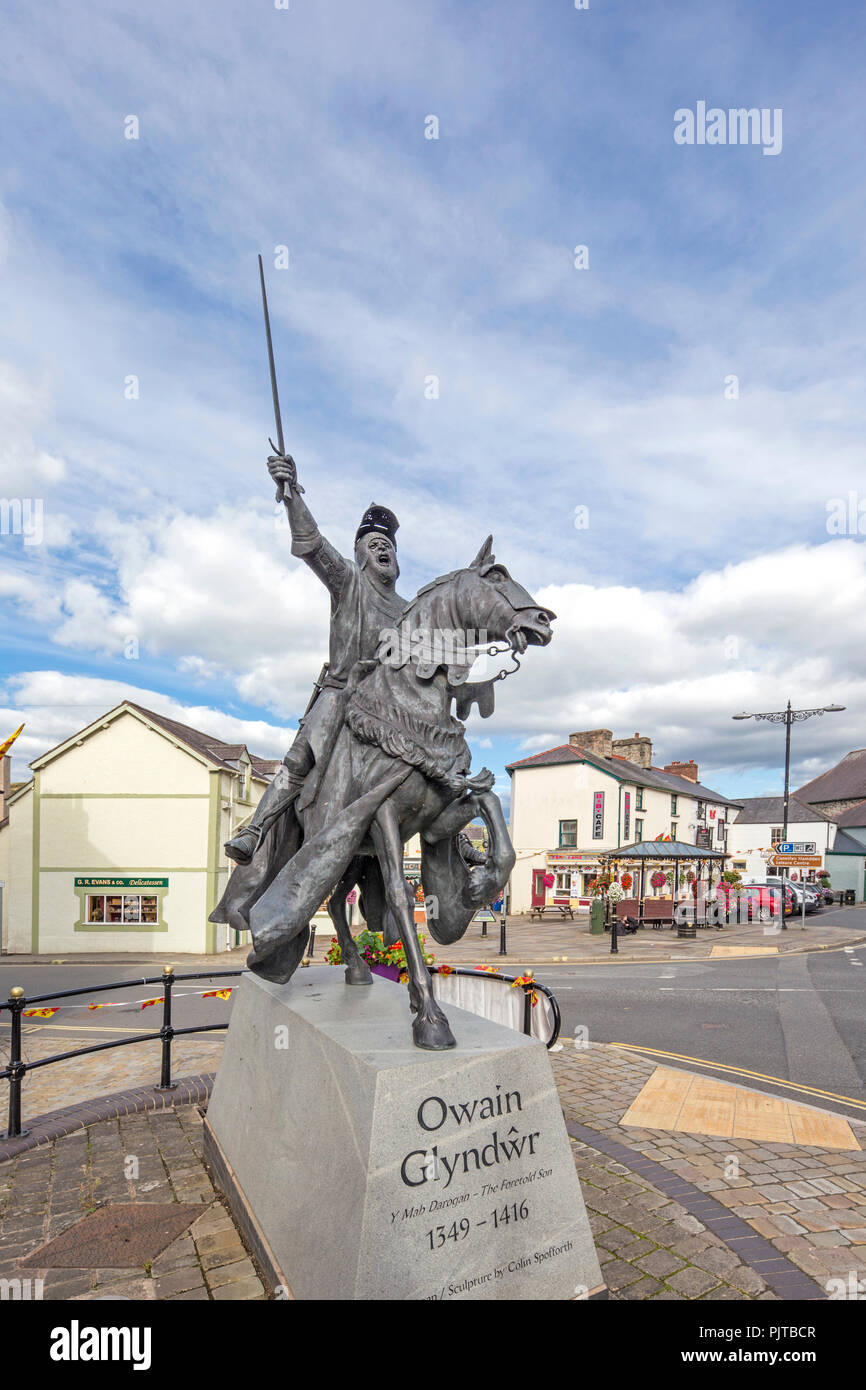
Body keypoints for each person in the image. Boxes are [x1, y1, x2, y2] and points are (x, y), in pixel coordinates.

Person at [224, 452, 406, 864]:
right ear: (359, 554)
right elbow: (312, 544)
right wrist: (291, 496)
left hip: (390, 709)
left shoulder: (410, 610)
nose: (383, 551)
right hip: (342, 694)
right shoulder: (348, 582)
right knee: (301, 757)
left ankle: (455, 838)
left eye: (389, 546)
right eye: (374, 544)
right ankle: (255, 828)